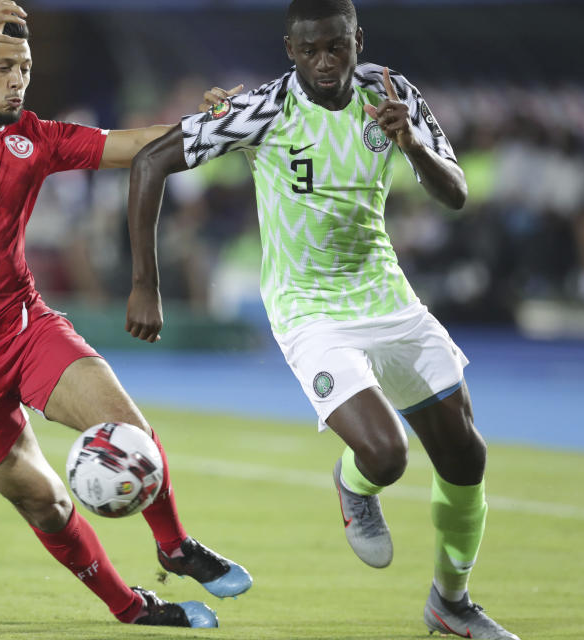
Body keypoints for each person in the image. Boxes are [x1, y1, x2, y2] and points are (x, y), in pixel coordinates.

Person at [124, 1, 520, 638]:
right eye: (310, 50)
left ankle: (452, 604)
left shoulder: (393, 94)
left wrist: (411, 143)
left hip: (384, 294)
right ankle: (354, 484)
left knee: (466, 456)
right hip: (308, 307)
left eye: (337, 46)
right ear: (290, 48)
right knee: (385, 454)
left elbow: (456, 194)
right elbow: (150, 162)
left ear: (357, 39)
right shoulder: (261, 110)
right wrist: (146, 284)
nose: (325, 61)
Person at [0, 2, 251, 629]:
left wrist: (217, 125)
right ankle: (132, 608)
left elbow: (134, 146)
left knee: (128, 428)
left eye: (24, 67)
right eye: (0, 67)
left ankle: (175, 545)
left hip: (20, 327)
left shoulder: (37, 138)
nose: (17, 79)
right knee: (47, 503)